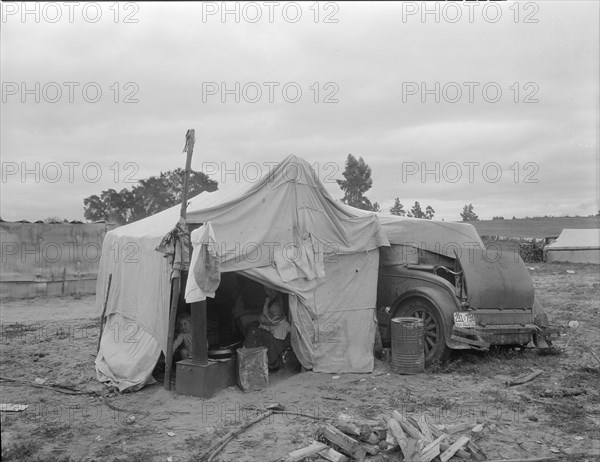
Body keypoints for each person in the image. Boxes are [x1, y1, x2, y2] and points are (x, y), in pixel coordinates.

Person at [244, 288, 291, 370]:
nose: (268, 292)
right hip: (269, 339)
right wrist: (266, 303)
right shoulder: (269, 320)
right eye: (271, 314)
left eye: (275, 314)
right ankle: (245, 356)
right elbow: (263, 319)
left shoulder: (285, 325)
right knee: (252, 329)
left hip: (277, 345)